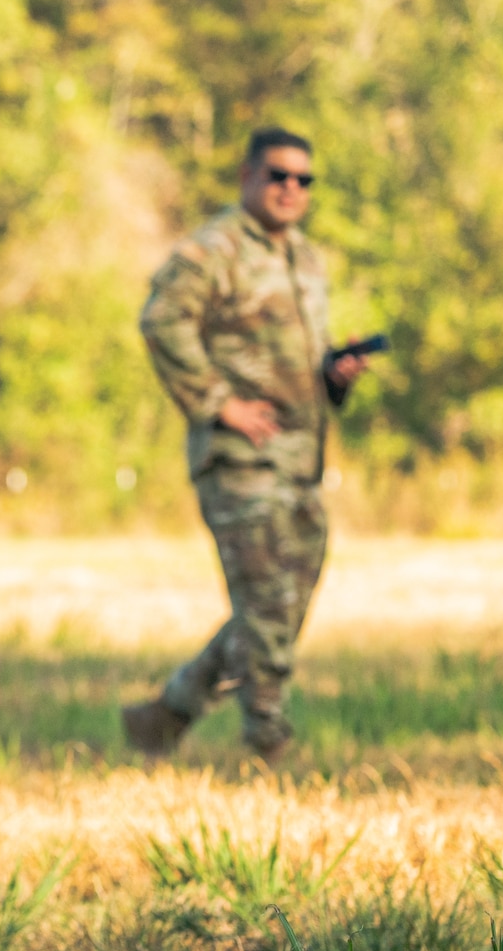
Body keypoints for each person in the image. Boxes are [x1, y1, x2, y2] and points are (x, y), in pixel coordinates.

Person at [121, 127, 370, 759]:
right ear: (248, 177)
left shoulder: (307, 260)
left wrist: (333, 377)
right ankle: (270, 744)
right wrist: (217, 404)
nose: (291, 189)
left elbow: (300, 359)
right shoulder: (213, 250)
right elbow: (161, 320)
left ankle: (170, 710)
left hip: (300, 460)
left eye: (303, 179)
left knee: (281, 605)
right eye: (278, 176)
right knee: (263, 605)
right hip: (238, 461)